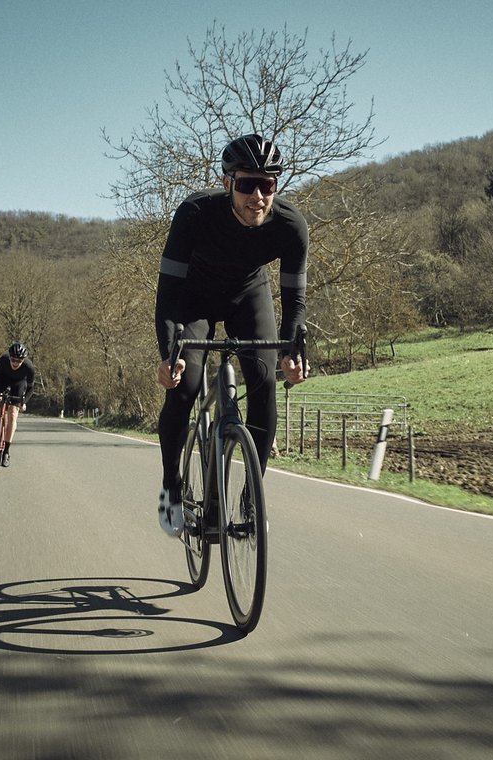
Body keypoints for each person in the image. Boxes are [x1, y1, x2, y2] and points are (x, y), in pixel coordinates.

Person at [154, 133, 309, 538]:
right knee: (184, 388)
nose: (257, 196)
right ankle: (171, 488)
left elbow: (294, 300)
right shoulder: (193, 214)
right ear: (227, 183)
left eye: (268, 184)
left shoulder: (291, 227)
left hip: (248, 296)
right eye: (246, 184)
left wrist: (294, 352)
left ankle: (251, 497)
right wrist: (168, 354)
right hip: (194, 301)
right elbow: (169, 293)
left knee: (264, 388)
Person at [0, 342, 36, 467]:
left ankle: (6, 451)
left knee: (13, 414)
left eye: (19, 361)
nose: (15, 363)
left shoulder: (29, 367)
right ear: (10, 357)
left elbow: (30, 388)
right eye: (13, 359)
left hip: (19, 384)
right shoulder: (3, 360)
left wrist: (23, 402)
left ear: (24, 360)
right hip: (2, 379)